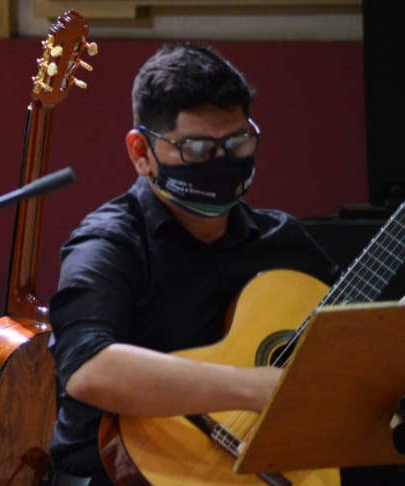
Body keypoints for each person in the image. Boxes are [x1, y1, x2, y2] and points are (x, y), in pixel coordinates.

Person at [46, 43, 344, 483]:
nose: (222, 162)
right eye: (199, 149)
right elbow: (89, 367)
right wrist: (254, 389)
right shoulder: (108, 242)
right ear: (141, 152)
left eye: (238, 142)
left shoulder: (283, 240)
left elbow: (353, 334)